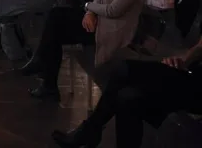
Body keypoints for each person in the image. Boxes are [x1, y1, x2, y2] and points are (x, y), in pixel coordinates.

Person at [52, 35, 202, 148]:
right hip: (193, 74)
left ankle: (90, 131)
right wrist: (184, 60)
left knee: (125, 73)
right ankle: (90, 130)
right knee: (126, 95)